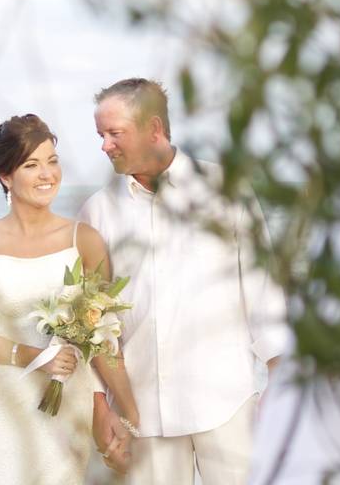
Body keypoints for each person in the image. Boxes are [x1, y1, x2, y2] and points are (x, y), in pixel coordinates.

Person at [79, 79, 289, 484]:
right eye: (100, 135)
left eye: (115, 133)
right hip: (141, 415)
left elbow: (264, 293)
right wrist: (99, 407)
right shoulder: (97, 211)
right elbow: (90, 321)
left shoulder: (226, 193)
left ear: (154, 129)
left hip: (225, 403)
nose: (105, 146)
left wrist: (278, 383)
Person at [0, 113, 139, 484]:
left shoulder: (85, 240)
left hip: (66, 414)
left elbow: (103, 340)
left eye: (52, 161)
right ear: (6, 176)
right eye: (31, 165)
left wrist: (125, 417)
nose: (47, 174)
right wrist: (37, 357)